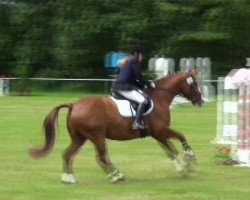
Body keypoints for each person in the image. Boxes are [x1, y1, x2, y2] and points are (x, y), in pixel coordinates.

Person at [113, 44, 155, 130]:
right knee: (142, 101)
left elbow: (133, 80)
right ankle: (137, 123)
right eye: (141, 54)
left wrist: (143, 85)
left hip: (120, 86)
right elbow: (139, 76)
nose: (142, 57)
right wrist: (149, 84)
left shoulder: (128, 61)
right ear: (136, 54)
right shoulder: (133, 62)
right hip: (123, 88)